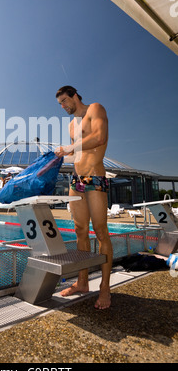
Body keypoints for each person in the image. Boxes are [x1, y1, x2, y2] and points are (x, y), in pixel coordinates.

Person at [55, 85, 113, 310]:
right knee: (80, 231)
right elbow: (78, 152)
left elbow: (99, 138)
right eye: (60, 104)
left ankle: (105, 287)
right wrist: (65, 153)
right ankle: (82, 282)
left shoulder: (95, 109)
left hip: (95, 178)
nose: (63, 107)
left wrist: (71, 147)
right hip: (76, 180)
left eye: (64, 102)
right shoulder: (71, 125)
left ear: (75, 96)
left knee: (101, 232)